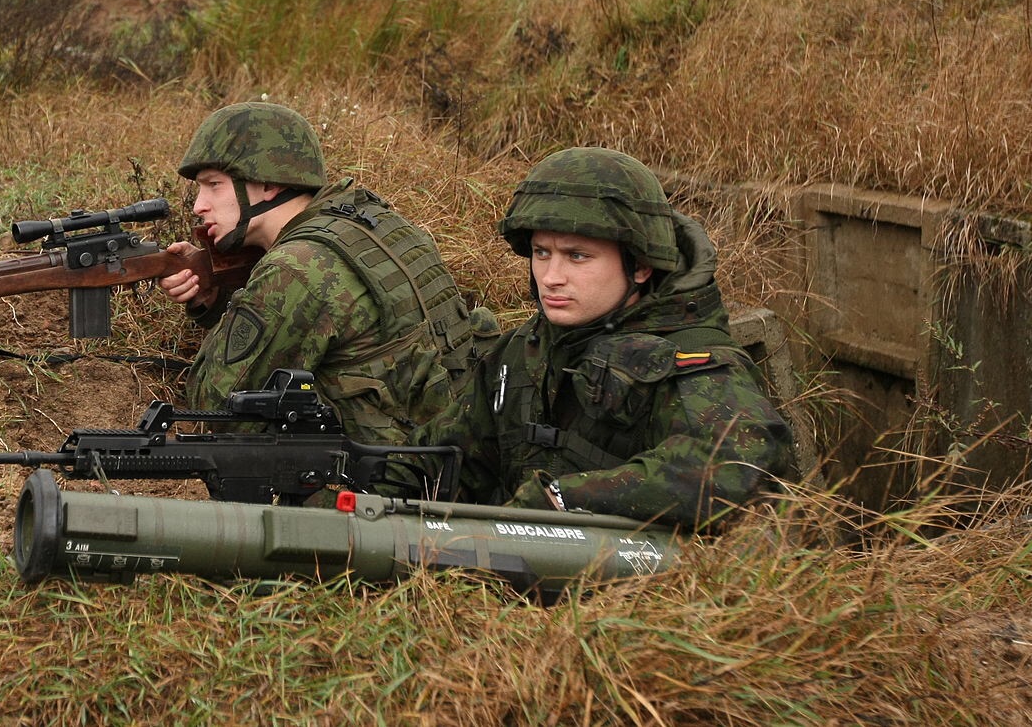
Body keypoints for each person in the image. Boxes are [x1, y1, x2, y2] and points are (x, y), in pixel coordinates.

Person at [412, 147, 794, 530]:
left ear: (641, 265)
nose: (551, 276)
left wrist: (564, 499)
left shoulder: (688, 363)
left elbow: (738, 464)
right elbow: (445, 457)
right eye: (541, 252)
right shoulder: (524, 349)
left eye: (577, 256)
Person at [159, 102, 479, 445]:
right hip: (460, 444)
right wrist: (214, 295)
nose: (198, 205)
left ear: (267, 183)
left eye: (213, 185)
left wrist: (239, 304)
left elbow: (215, 406)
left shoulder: (294, 269)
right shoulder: (371, 220)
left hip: (389, 483)